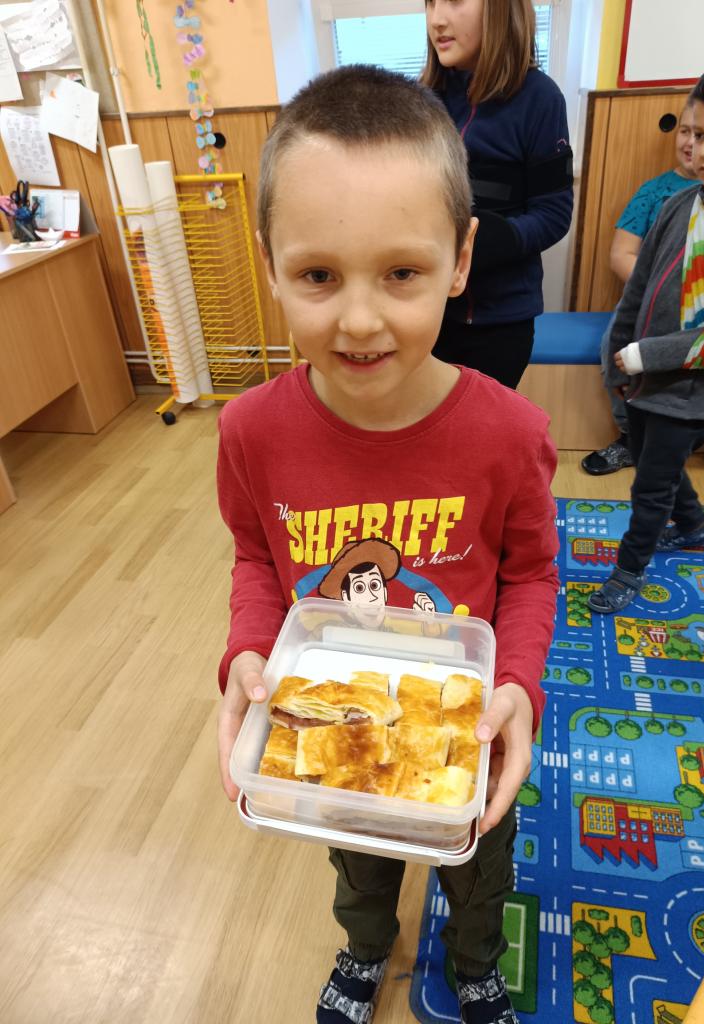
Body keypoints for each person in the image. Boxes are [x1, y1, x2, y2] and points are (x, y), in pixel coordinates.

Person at [215, 66, 559, 1024]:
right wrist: (245, 651)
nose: (359, 320)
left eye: (402, 273)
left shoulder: (510, 434)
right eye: (318, 275)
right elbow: (256, 559)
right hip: (339, 717)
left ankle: (475, 960)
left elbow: (533, 572)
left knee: (480, 865)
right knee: (358, 864)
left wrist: (517, 686)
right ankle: (367, 950)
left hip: (463, 723)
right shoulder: (249, 432)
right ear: (270, 263)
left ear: (461, 258)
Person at [588, 42, 704, 616]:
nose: (702, 149)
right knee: (654, 464)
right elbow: (637, 289)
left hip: (689, 390)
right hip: (643, 374)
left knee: (649, 486)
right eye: (696, 133)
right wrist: (618, 359)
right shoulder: (676, 205)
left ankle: (628, 569)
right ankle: (693, 525)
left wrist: (646, 355)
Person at [583, 100, 704, 487]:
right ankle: (631, 435)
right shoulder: (657, 194)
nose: (695, 144)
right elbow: (622, 254)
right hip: (657, 305)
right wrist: (666, 293)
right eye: (690, 132)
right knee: (616, 341)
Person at [423, 0, 573, 389]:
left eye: (454, 1)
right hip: (428, 315)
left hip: (501, 324)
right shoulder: (422, 100)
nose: (437, 19)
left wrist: (497, 239)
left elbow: (554, 214)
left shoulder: (540, 98)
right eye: (430, 3)